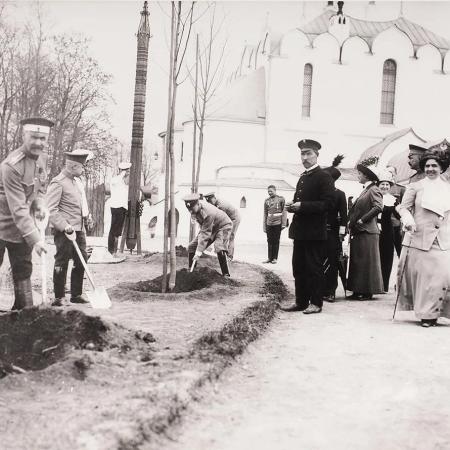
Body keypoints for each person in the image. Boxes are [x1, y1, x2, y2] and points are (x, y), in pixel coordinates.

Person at [0, 117, 53, 309]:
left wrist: (39, 204)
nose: (39, 143)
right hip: (3, 224)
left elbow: (39, 189)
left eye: (43, 139)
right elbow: (18, 207)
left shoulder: (42, 159)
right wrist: (36, 239)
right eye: (34, 137)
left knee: (23, 270)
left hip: (22, 227)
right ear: (24, 136)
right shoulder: (11, 165)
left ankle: (25, 315)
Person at [397, 152, 450, 327]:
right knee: (427, 279)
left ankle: (441, 313)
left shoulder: (447, 187)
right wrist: (408, 220)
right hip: (422, 237)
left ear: (442, 168)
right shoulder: (416, 186)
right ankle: (428, 316)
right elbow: (403, 208)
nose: (430, 169)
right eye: (427, 166)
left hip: (444, 238)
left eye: (434, 166)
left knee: (443, 276)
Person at [282, 139, 334, 314]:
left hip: (314, 232)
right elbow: (302, 201)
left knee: (314, 268)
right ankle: (301, 301)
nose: (305, 157)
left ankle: (316, 303)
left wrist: (302, 206)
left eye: (308, 153)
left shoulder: (324, 176)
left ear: (317, 155)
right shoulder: (303, 177)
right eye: (302, 154)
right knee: (299, 268)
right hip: (300, 231)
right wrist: (293, 205)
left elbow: (328, 204)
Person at [46, 149, 94, 306]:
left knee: (82, 260)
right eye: (82, 167)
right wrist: (65, 226)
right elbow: (50, 210)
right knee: (62, 261)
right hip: (64, 232)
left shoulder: (76, 182)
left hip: (78, 230)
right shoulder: (58, 182)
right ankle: (59, 297)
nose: (83, 169)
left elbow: (80, 205)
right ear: (73, 166)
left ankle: (76, 294)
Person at [347, 158, 384, 300]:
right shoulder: (366, 190)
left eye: (360, 174)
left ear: (366, 176)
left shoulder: (374, 189)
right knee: (359, 261)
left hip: (367, 230)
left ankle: (367, 291)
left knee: (366, 262)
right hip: (360, 230)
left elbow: (378, 207)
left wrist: (362, 220)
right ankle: (358, 290)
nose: (358, 176)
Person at [183, 193, 232, 277]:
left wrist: (198, 253)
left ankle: (226, 274)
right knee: (191, 247)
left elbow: (205, 234)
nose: (191, 212)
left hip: (223, 226)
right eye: (189, 209)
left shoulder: (208, 212)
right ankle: (192, 270)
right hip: (210, 227)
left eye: (192, 209)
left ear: (198, 204)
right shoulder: (196, 208)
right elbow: (204, 229)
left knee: (219, 247)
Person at [322, 155, 347, 302]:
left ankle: (330, 291)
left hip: (332, 233)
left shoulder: (340, 194)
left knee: (332, 263)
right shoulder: (318, 194)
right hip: (318, 232)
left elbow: (344, 216)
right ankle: (318, 290)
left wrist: (341, 233)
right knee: (318, 261)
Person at [377, 170, 399, 293]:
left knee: (387, 257)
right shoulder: (374, 196)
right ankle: (375, 284)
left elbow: (399, 213)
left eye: (387, 185)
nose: (385, 187)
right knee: (376, 256)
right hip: (374, 229)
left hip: (387, 230)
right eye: (382, 184)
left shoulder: (393, 199)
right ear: (378, 185)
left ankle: (384, 285)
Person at [204, 192, 240, 260]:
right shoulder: (214, 205)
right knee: (222, 233)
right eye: (208, 201)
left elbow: (221, 220)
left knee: (230, 236)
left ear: (214, 198)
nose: (209, 203)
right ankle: (223, 253)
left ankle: (229, 256)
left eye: (210, 201)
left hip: (234, 218)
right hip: (228, 218)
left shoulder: (221, 206)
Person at [108, 161, 131, 255]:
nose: (128, 174)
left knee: (118, 231)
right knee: (113, 230)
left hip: (122, 208)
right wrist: (123, 173)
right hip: (116, 207)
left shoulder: (122, 183)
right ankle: (111, 251)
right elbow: (115, 182)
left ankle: (114, 251)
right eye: (127, 171)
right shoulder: (115, 180)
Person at [262, 185, 287, 264]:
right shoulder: (266, 201)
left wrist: (283, 224)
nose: (269, 193)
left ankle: (275, 258)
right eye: (268, 191)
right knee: (269, 240)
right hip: (269, 223)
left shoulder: (281, 199)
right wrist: (264, 226)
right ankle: (269, 258)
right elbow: (265, 214)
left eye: (271, 191)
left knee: (276, 240)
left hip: (277, 223)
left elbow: (284, 211)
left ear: (275, 190)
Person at [386, 165, 405, 257]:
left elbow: (404, 207)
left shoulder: (401, 189)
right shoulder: (380, 187)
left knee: (400, 250)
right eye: (387, 172)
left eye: (391, 172)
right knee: (385, 251)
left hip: (396, 224)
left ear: (395, 174)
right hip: (383, 224)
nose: (389, 174)